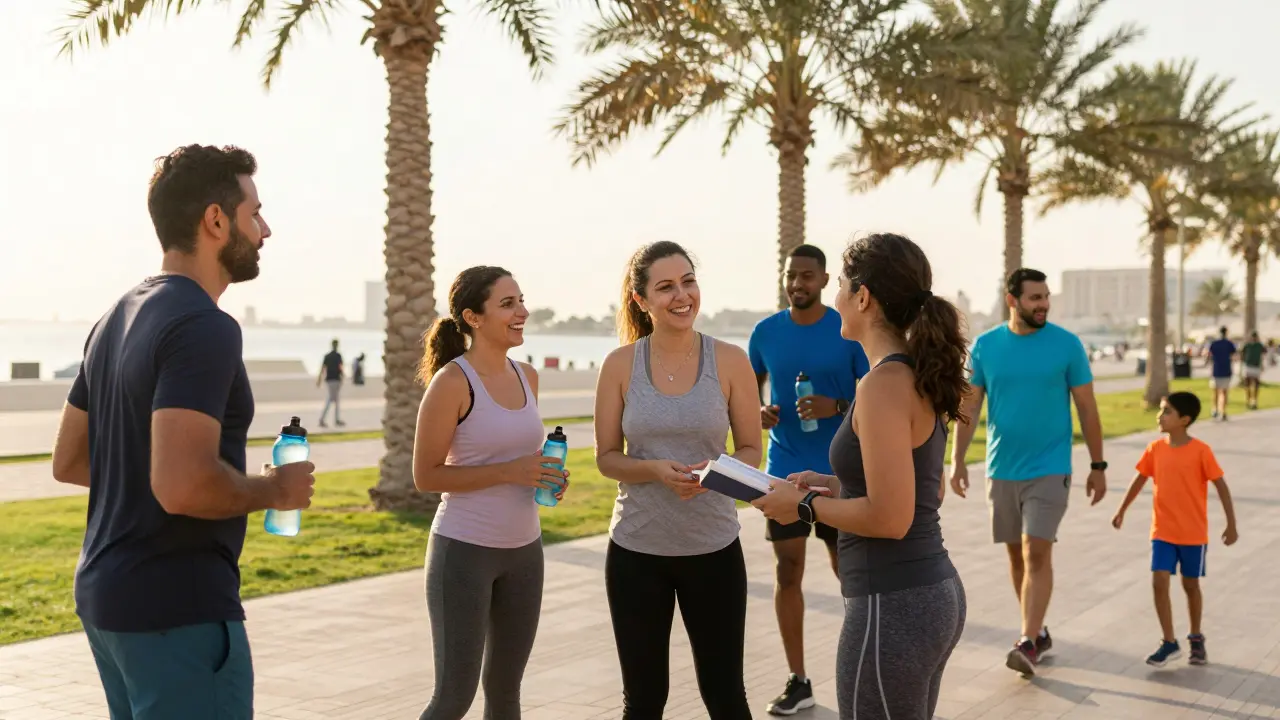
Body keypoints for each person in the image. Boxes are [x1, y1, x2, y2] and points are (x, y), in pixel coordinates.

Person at [49, 145, 316, 720]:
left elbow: (69, 460)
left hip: (108, 600)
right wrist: (275, 491)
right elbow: (183, 488)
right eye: (255, 213)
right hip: (178, 610)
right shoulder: (204, 327)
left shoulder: (116, 315)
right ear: (216, 220)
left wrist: (163, 469)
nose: (265, 229)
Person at [753, 233, 967, 720]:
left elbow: (891, 518)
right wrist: (827, 485)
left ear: (864, 297)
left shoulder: (882, 385)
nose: (835, 298)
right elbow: (896, 482)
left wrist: (802, 506)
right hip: (923, 594)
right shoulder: (905, 374)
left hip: (893, 604)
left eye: (842, 285)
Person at [594, 241, 762, 720]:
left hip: (713, 549)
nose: (681, 295)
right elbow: (606, 458)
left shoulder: (729, 360)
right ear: (641, 300)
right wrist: (653, 470)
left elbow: (752, 450)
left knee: (726, 697)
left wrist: (715, 477)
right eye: (665, 286)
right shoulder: (620, 365)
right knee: (644, 703)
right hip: (635, 553)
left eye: (688, 281)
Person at [411, 266, 569, 720]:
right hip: (463, 552)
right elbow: (426, 476)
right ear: (472, 317)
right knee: (453, 698)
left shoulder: (528, 376)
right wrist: (511, 471)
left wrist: (547, 477)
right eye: (507, 304)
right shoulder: (452, 382)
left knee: (505, 692)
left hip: (524, 552)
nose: (522, 312)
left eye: (521, 301)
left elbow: (526, 461)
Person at [948, 267, 1108, 677]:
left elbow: (1087, 408)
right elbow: (969, 408)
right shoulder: (985, 347)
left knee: (1037, 549)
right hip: (1002, 468)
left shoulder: (1067, 345)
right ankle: (1036, 629)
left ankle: (1026, 641)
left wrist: (1098, 465)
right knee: (1016, 554)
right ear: (1013, 299)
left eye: (1046, 296)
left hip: (1051, 466)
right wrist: (958, 460)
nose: (1044, 305)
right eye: (1035, 297)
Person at [747, 244, 869, 715]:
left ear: (823, 280)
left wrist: (835, 407)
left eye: (807, 275)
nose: (797, 283)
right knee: (787, 571)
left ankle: (861, 664)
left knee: (850, 574)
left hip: (841, 475)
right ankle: (798, 680)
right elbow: (749, 388)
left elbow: (872, 397)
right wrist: (759, 412)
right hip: (784, 472)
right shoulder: (765, 333)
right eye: (790, 275)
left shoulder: (844, 333)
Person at [1110, 391, 1239, 667]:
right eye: (1161, 409)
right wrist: (1122, 509)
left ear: (1184, 419)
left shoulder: (1201, 451)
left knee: (1190, 585)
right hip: (1162, 532)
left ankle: (1195, 637)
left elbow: (1221, 486)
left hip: (1193, 534)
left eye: (1167, 411)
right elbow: (1140, 479)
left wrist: (1231, 524)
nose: (1160, 415)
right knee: (1159, 581)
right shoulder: (1155, 449)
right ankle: (1169, 641)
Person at [1206, 326, 1237, 420]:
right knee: (1224, 392)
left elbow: (1209, 355)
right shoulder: (1229, 343)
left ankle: (1215, 409)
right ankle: (1223, 411)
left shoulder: (1214, 343)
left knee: (1215, 391)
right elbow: (1233, 354)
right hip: (1226, 370)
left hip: (1216, 370)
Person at [317, 339, 345, 427]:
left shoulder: (327, 356)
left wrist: (319, 379)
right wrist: (343, 376)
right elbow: (340, 367)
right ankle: (322, 419)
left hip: (329, 380)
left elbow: (323, 368)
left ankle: (336, 419)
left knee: (335, 400)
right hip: (335, 379)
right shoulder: (338, 356)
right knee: (331, 399)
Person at [1240, 330, 1265, 410]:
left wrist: (1262, 364)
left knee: (1256, 385)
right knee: (1247, 385)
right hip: (1248, 366)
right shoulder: (1247, 345)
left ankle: (1254, 401)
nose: (1254, 338)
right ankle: (1248, 400)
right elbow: (1242, 355)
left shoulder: (1259, 345)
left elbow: (1263, 354)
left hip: (1256, 366)